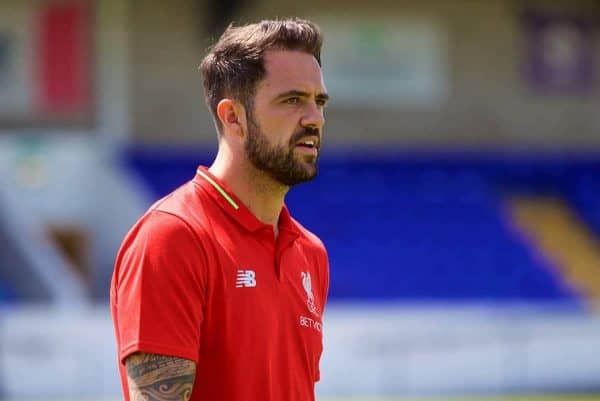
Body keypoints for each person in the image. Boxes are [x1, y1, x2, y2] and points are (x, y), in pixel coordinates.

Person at [110, 18, 330, 401]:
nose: (314, 118)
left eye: (319, 101)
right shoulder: (173, 237)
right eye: (292, 99)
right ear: (233, 117)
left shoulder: (309, 253)